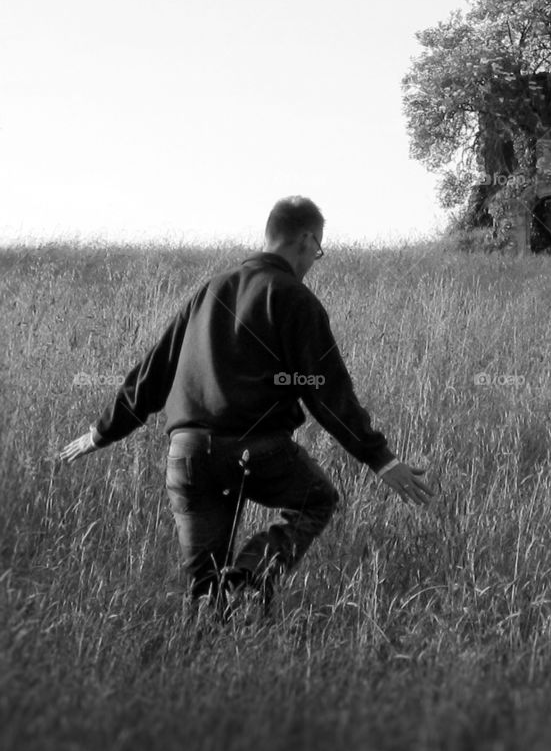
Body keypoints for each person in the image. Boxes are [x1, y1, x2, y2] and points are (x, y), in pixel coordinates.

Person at [58, 196, 433, 623]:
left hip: (188, 456)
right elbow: (327, 393)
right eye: (318, 250)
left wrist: (101, 432)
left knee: (203, 591)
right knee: (317, 499)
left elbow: (153, 373)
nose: (314, 259)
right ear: (307, 239)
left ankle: (206, 644)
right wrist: (381, 459)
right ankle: (251, 578)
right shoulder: (294, 298)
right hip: (255, 451)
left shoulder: (211, 290)